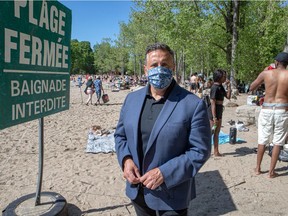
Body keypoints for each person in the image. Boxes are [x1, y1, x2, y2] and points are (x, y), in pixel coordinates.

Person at [114, 42, 211, 215]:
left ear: (173, 67)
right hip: (138, 192)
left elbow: (200, 150)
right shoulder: (131, 100)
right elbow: (120, 136)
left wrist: (164, 173)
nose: (159, 69)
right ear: (145, 69)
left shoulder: (192, 104)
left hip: (172, 196)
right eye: (154, 65)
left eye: (164, 64)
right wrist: (126, 160)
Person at [250, 52, 288, 178]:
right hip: (282, 110)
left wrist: (263, 73)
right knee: (278, 141)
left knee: (262, 140)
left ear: (276, 62)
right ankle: (271, 172)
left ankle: (257, 168)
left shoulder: (266, 73)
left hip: (267, 109)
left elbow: (252, 87)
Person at [208, 69, 231, 157]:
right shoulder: (214, 87)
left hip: (219, 110)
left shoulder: (221, 87)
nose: (225, 78)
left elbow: (228, 97)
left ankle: (216, 151)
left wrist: (229, 86)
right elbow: (212, 103)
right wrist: (214, 117)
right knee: (211, 132)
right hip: (213, 112)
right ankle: (205, 151)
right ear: (219, 77)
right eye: (224, 76)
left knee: (217, 132)